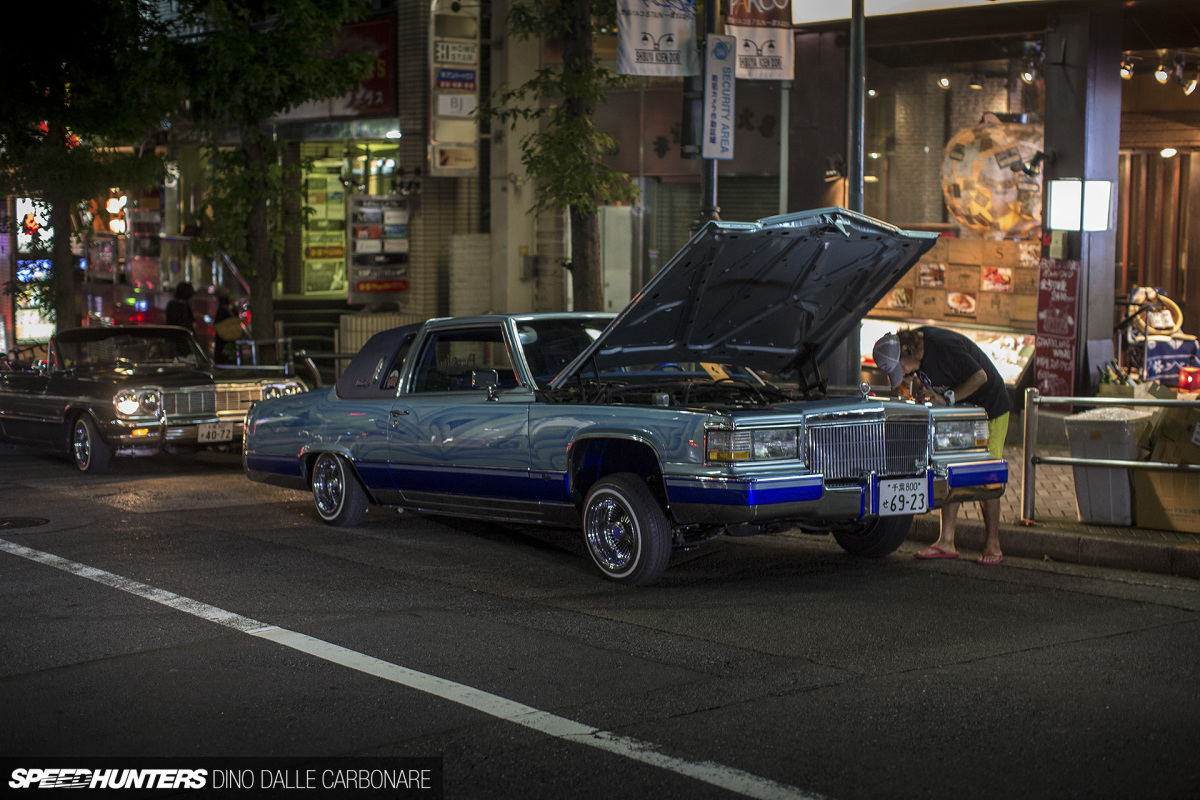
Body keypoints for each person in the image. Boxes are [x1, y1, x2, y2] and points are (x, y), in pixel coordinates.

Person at [872, 327, 1011, 565]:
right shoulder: (917, 353)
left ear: (908, 350)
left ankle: (993, 544)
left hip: (990, 407)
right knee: (951, 468)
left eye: (901, 367)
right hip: (963, 410)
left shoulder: (943, 346)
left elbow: (981, 377)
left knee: (986, 474)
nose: (903, 374)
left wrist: (947, 398)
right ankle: (946, 540)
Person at [211, 286, 239, 365]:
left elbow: (217, 324)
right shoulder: (233, 308)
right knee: (232, 359)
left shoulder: (221, 309)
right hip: (233, 339)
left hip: (222, 341)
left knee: (222, 361)